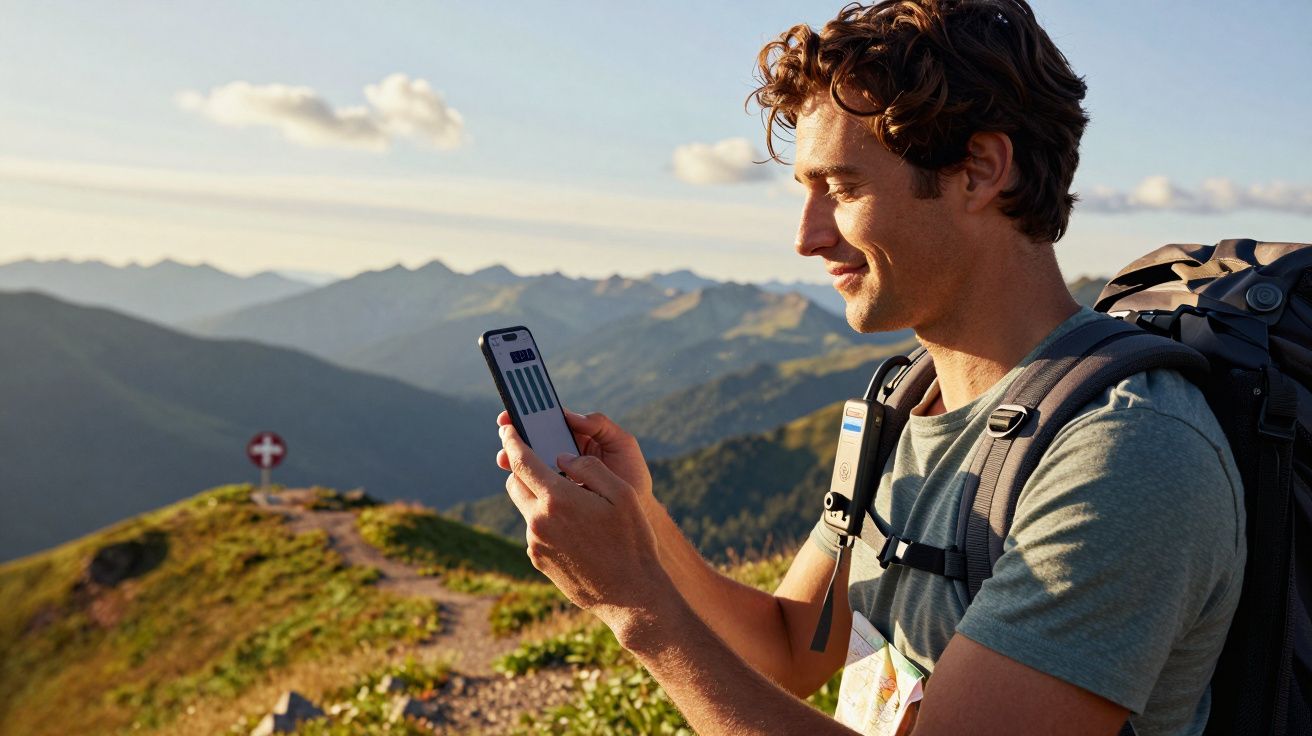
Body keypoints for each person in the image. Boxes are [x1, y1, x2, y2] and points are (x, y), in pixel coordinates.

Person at [495, 1, 1245, 734]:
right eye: (806, 193)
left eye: (843, 188)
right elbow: (791, 647)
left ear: (980, 171)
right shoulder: (906, 400)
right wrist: (641, 522)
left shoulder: (1128, 454)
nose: (807, 237)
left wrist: (636, 606)